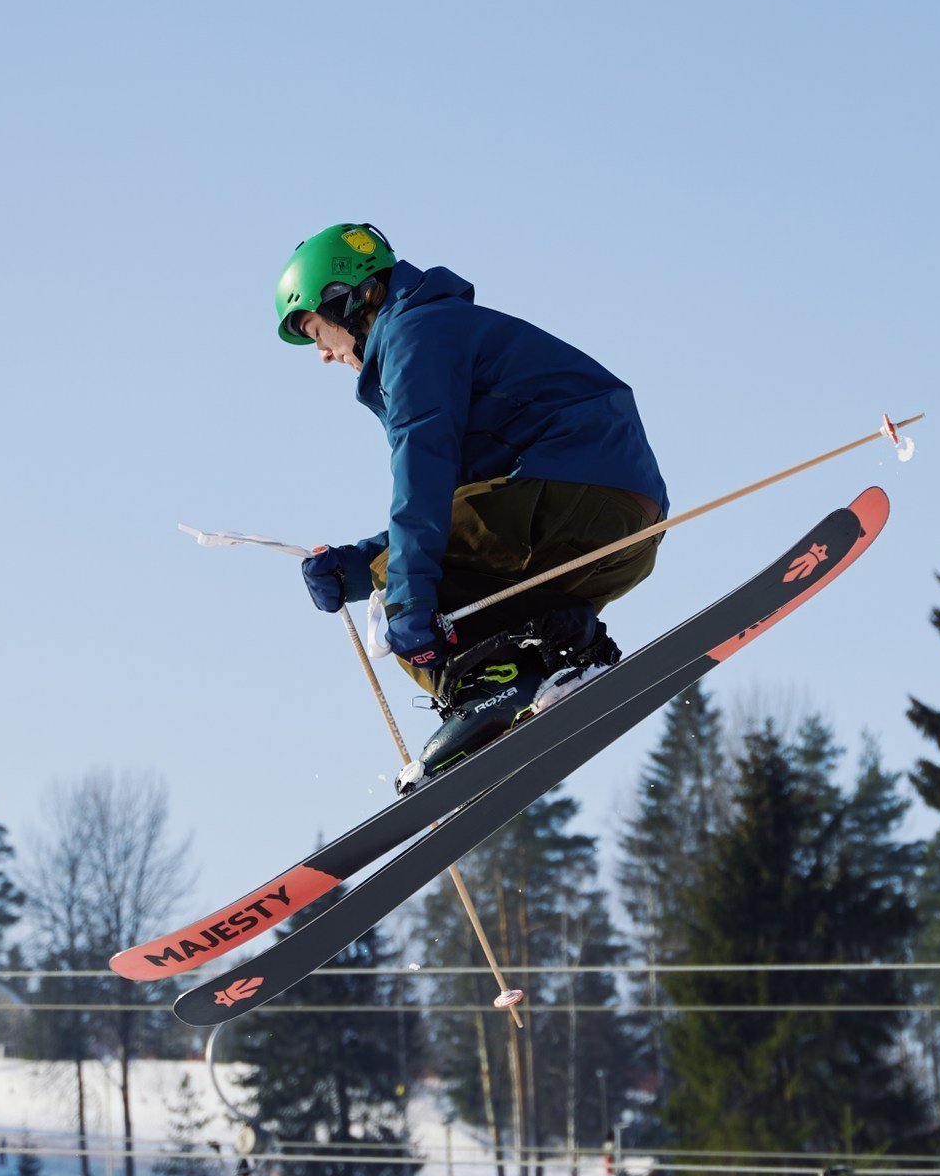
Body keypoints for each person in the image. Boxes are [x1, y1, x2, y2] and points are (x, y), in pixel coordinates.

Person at [279, 222, 669, 775]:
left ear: (357, 297)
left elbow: (424, 471)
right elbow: (464, 510)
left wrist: (400, 590)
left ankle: (484, 689)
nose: (321, 352)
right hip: (619, 530)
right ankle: (566, 652)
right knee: (412, 571)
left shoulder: (415, 336)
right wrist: (356, 568)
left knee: (408, 579)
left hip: (576, 504)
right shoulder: (438, 331)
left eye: (317, 329)